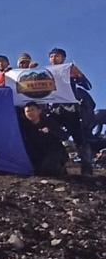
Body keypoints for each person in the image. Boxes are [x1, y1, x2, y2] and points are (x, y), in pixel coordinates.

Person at [46, 47, 93, 175]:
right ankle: (58, 165)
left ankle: (87, 168)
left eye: (57, 56)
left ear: (63, 58)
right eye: (51, 56)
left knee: (79, 139)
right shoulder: (46, 73)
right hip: (54, 110)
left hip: (70, 109)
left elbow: (87, 86)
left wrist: (79, 74)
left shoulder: (69, 71)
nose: (54, 58)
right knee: (52, 135)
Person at [20, 102, 67, 176]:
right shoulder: (24, 126)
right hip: (36, 153)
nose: (30, 113)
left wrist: (50, 131)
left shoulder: (49, 121)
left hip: (53, 152)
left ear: (39, 111)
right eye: (27, 111)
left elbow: (64, 136)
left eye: (32, 110)